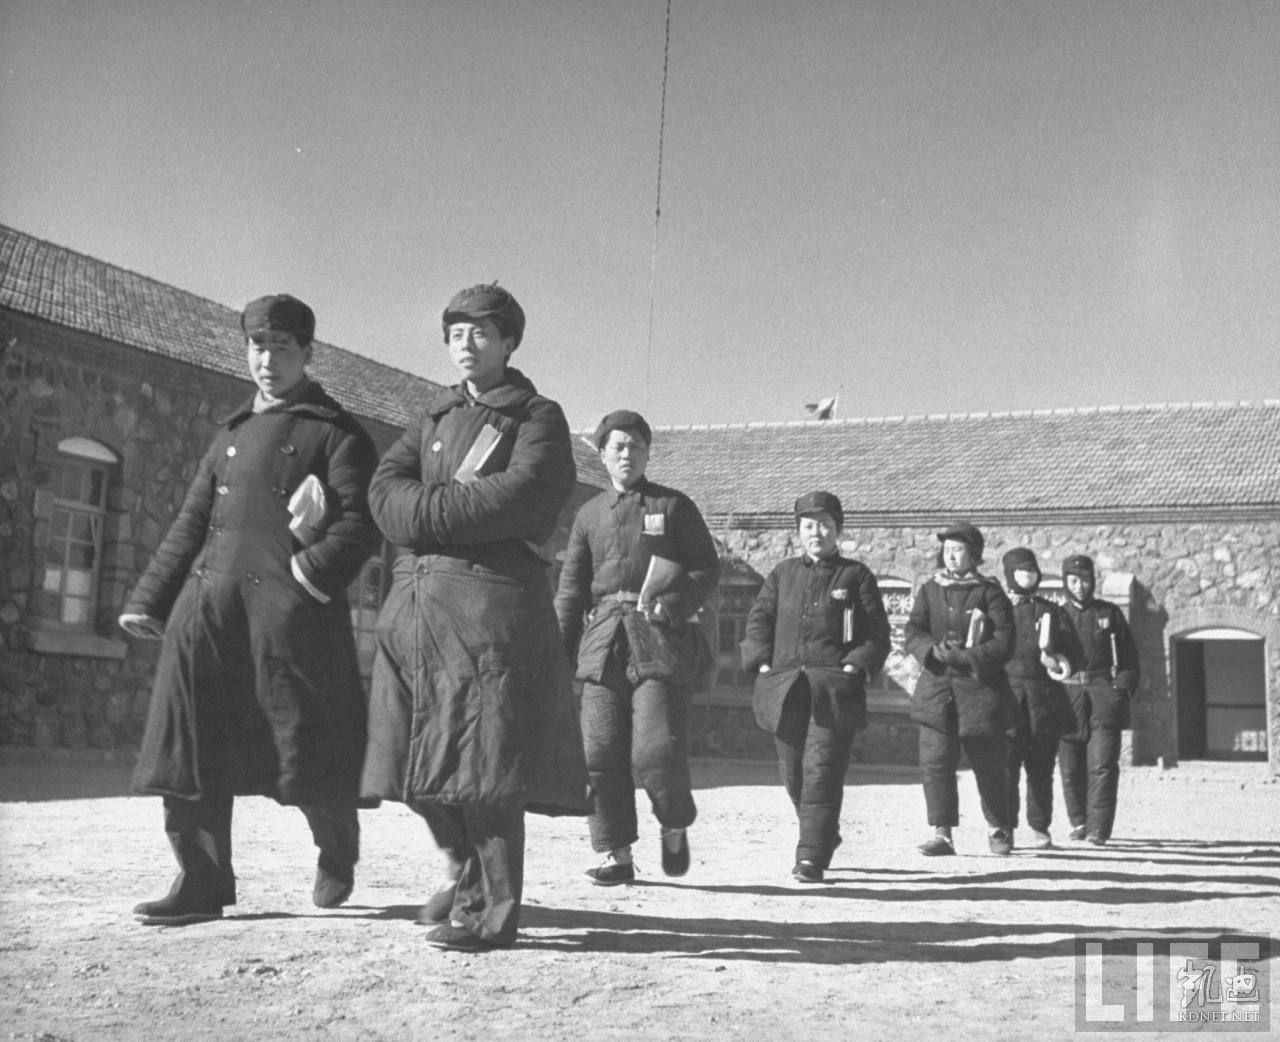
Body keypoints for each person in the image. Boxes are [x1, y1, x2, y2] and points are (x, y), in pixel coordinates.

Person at [121, 293, 380, 925]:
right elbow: (192, 521)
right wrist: (151, 598)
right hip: (208, 610)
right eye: (258, 347)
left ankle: (337, 848)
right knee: (190, 743)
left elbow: (360, 524)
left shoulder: (337, 433)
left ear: (308, 354)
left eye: (282, 349)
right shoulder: (230, 434)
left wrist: (305, 576)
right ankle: (200, 878)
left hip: (291, 617)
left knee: (306, 744)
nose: (268, 361)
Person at [360, 283, 587, 951]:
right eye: (456, 333)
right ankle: (463, 872)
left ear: (509, 342)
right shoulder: (431, 417)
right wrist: (444, 510)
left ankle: (491, 912)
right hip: (416, 614)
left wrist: (425, 515)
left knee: (484, 768)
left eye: (481, 333)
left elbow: (523, 497)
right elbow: (382, 492)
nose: (466, 344)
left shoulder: (536, 417)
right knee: (411, 763)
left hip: (487, 615)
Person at [555, 409, 720, 885]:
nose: (627, 454)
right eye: (618, 446)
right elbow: (572, 590)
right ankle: (616, 852)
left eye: (636, 446)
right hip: (603, 640)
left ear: (648, 454)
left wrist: (673, 604)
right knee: (599, 751)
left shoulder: (674, 506)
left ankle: (674, 821)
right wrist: (560, 654)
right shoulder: (588, 514)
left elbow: (705, 568)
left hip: (658, 638)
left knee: (655, 751)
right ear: (602, 454)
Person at [740, 491, 890, 883]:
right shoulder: (782, 574)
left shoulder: (856, 576)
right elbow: (758, 621)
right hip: (785, 689)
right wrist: (763, 662)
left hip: (833, 690)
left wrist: (854, 666)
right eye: (808, 526)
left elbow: (876, 635)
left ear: (838, 529)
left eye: (824, 525)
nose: (816, 533)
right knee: (793, 774)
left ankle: (810, 857)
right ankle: (823, 833)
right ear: (798, 531)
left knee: (822, 771)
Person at [904, 522, 1017, 856]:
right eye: (947, 550)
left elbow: (1005, 641)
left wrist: (968, 657)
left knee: (989, 764)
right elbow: (913, 630)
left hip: (980, 691)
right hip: (936, 690)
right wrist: (931, 651)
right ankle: (942, 833)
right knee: (935, 761)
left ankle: (998, 828)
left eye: (958, 550)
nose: (951, 556)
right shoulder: (930, 589)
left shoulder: (990, 593)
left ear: (974, 554)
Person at [1057, 554, 1140, 846]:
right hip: (1068, 698)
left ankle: (1098, 829)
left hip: (1103, 696)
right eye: (1073, 581)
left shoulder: (1109, 613)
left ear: (1093, 581)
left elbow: (1130, 660)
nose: (1079, 586)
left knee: (1102, 764)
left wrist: (1120, 690)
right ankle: (1079, 822)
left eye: (1084, 580)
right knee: (1070, 767)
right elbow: (1046, 658)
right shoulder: (1057, 615)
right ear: (1065, 582)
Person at [999, 547, 1078, 850]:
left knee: (1041, 769)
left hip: (1043, 702)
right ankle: (1004, 828)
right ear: (1010, 574)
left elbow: (1075, 654)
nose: (1028, 576)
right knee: (1006, 768)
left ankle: (1040, 826)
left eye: (1032, 570)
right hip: (1007, 701)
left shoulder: (1052, 612)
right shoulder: (998, 612)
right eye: (1021, 571)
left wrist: (1057, 661)